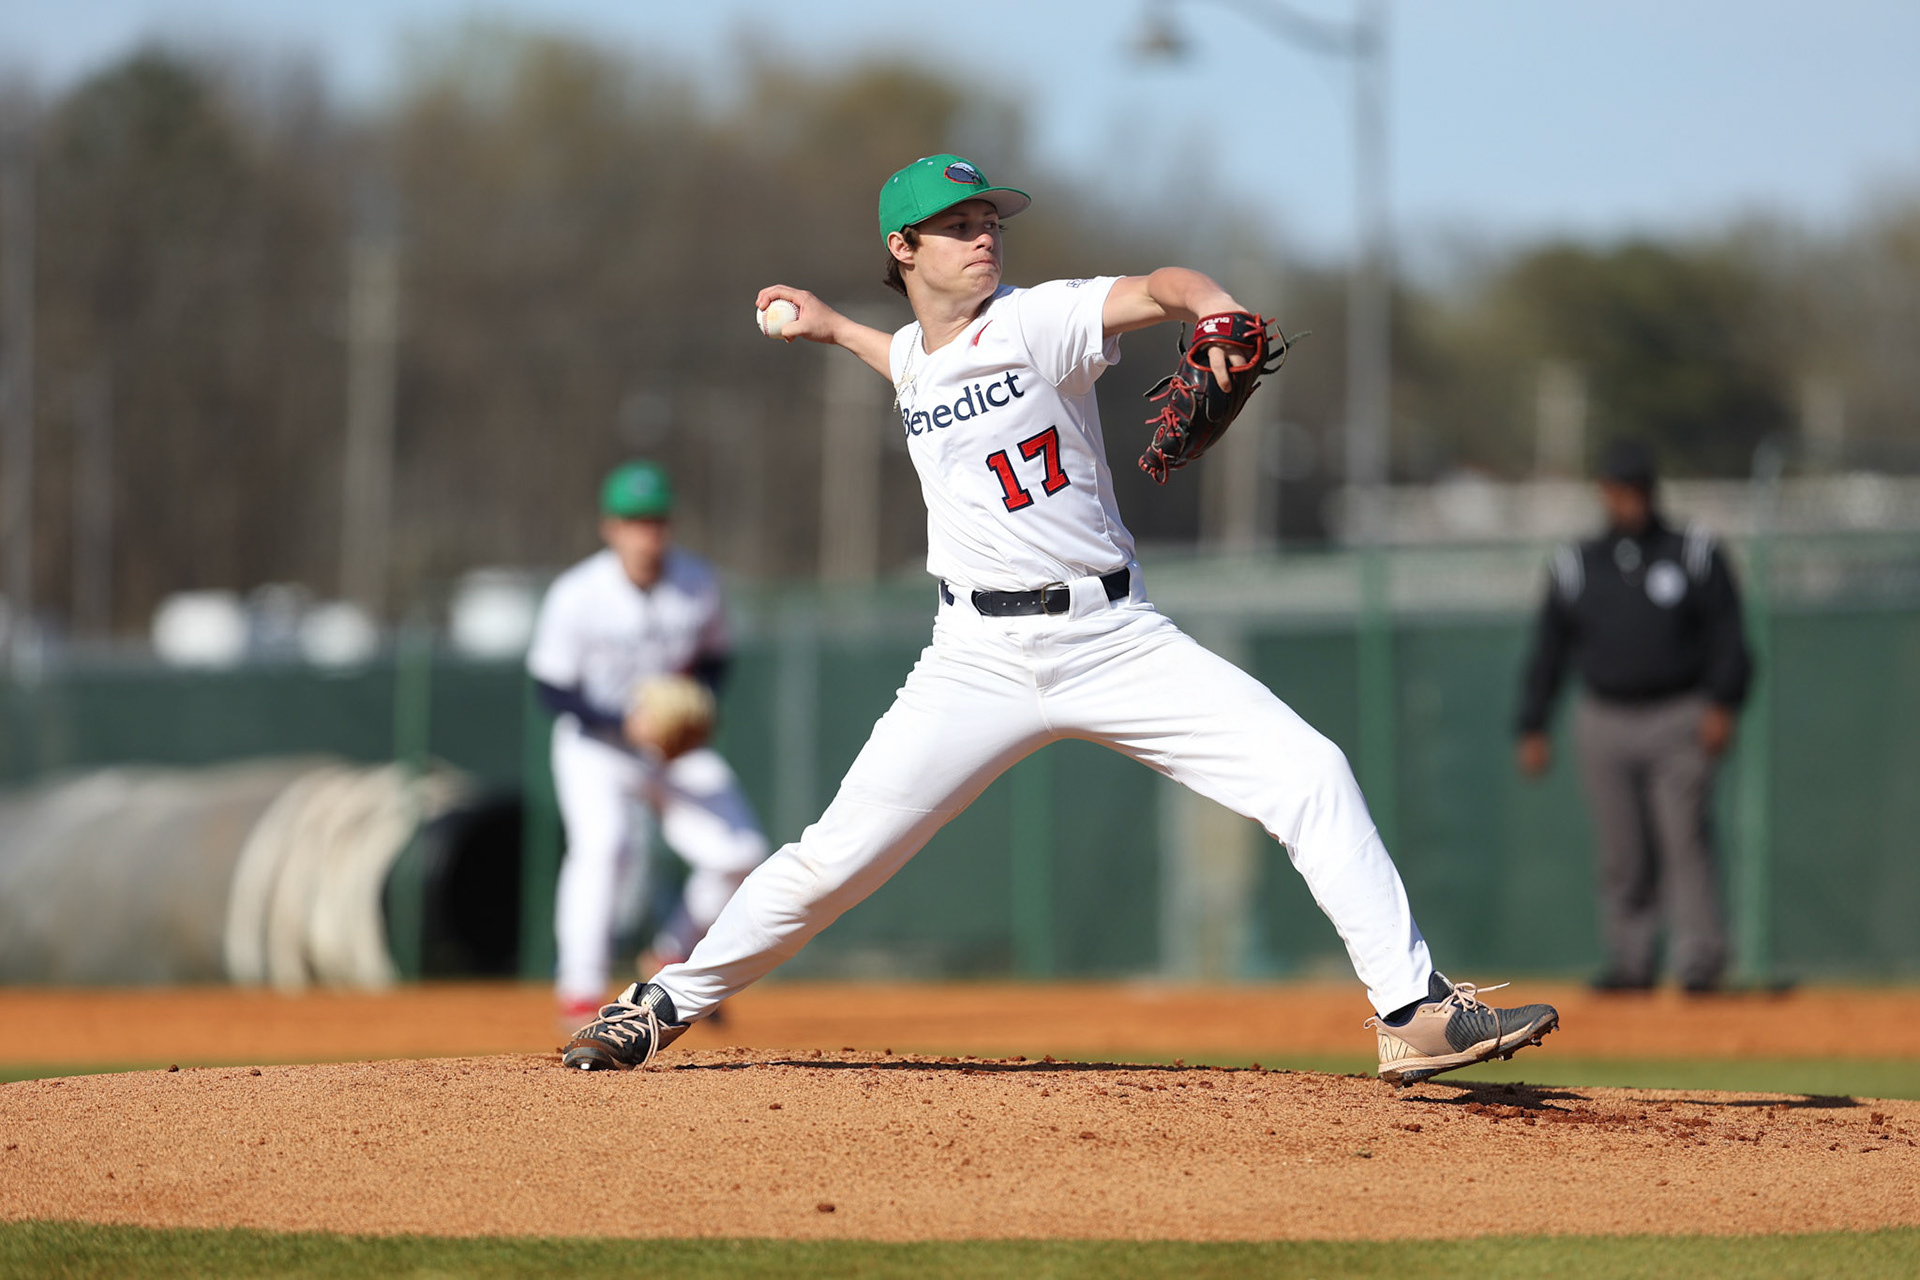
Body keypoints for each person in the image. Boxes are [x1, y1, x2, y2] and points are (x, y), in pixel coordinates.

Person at [564, 154, 1558, 1084]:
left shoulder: (1042, 321)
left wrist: (1213, 304)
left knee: (1311, 770)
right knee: (831, 859)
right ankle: (661, 1001)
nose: (983, 236)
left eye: (989, 219)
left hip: (1114, 637)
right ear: (903, 251)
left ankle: (1411, 1010)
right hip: (975, 658)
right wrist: (831, 326)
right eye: (955, 225)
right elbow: (910, 363)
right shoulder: (913, 353)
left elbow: (1161, 287)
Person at [527, 460, 770, 1030]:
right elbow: (550, 688)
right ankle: (581, 990)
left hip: (671, 748)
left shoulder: (698, 582)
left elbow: (715, 658)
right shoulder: (578, 593)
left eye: (656, 520)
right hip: (596, 746)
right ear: (610, 527)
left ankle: (671, 955)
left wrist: (696, 701)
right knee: (606, 847)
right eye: (635, 521)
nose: (647, 533)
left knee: (742, 852)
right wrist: (619, 719)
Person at [1515, 439, 1752, 994]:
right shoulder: (1578, 563)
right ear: (1603, 492)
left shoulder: (1692, 550)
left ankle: (1699, 961)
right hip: (1605, 716)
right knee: (1622, 848)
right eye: (1618, 489)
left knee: (1684, 840)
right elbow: (1550, 648)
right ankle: (1632, 960)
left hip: (1679, 714)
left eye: (1637, 489)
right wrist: (1533, 721)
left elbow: (1728, 634)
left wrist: (1724, 701)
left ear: (1652, 490)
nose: (1628, 500)